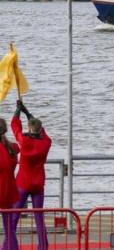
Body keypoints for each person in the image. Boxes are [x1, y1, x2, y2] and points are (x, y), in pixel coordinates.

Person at [9, 100, 51, 250]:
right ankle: (43, 246)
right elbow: (42, 131)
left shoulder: (24, 141)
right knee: (39, 217)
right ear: (40, 130)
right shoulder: (46, 143)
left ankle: (9, 244)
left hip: (23, 183)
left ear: (29, 129)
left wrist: (17, 111)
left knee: (14, 215)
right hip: (38, 183)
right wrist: (27, 112)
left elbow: (15, 128)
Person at [0, 118, 19, 250]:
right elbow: (18, 146)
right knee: (9, 228)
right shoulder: (11, 148)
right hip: (10, 190)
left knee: (9, 229)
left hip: (1, 189)